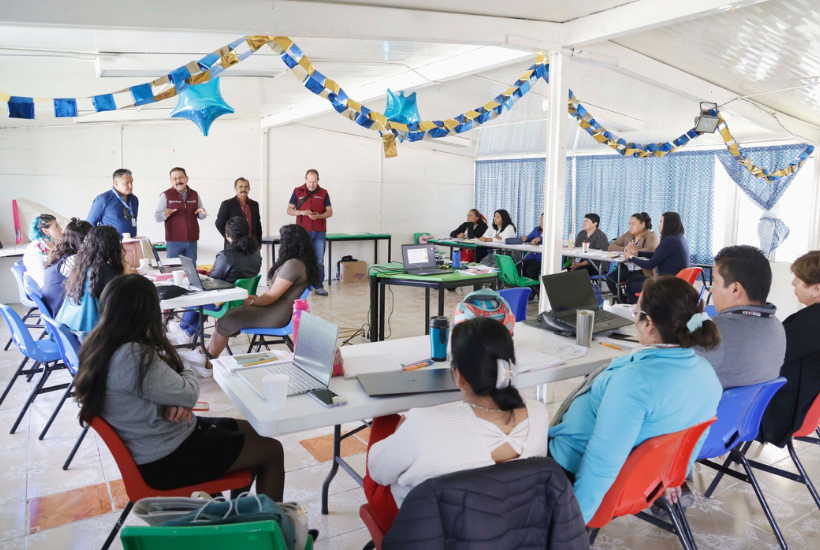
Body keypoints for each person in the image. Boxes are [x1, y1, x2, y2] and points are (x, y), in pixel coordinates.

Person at [72, 274, 284, 501]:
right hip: (167, 459)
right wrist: (184, 368)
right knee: (271, 450)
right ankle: (275, 529)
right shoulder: (133, 356)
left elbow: (159, 391)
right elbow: (189, 392)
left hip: (159, 441)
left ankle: (236, 514)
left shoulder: (98, 344)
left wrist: (172, 398)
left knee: (255, 432)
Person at [549, 276, 722, 523]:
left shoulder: (636, 381)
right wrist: (671, 476)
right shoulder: (705, 373)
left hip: (569, 467)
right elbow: (694, 440)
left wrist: (573, 524)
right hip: (645, 479)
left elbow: (602, 461)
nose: (634, 316)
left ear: (648, 323)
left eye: (636, 311)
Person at [364, 317, 549, 532]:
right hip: (505, 527)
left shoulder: (425, 424)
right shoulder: (538, 414)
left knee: (385, 425)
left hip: (428, 533)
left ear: (458, 376)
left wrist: (399, 433)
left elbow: (378, 473)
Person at [206, 224, 319, 360]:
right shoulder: (301, 262)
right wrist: (255, 299)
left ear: (289, 243)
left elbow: (271, 297)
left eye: (281, 240)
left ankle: (207, 363)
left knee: (226, 320)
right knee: (228, 317)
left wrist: (252, 301)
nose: (280, 245)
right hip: (278, 309)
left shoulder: (293, 264)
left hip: (275, 314)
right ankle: (204, 354)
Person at [695, 245, 785, 389]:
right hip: (745, 410)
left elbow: (674, 375)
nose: (712, 289)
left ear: (735, 289)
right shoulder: (777, 326)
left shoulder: (717, 331)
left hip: (713, 410)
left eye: (715, 281)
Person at [758, 251, 820, 447]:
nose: (793, 283)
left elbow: (770, 355)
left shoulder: (812, 321)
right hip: (804, 402)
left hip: (783, 411)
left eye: (799, 279)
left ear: (816, 288)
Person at [168, 217, 263, 346]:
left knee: (196, 295)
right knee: (206, 298)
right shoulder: (256, 254)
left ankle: (183, 330)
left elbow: (213, 280)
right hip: (241, 301)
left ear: (228, 235)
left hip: (224, 303)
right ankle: (185, 333)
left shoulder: (226, 255)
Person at [56, 226, 130, 335]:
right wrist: (126, 270)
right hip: (92, 339)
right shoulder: (105, 272)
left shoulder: (82, 267)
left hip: (70, 334)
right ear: (112, 247)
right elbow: (127, 300)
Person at [623, 212, 689, 303]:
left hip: (667, 284)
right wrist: (637, 253)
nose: (659, 225)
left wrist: (630, 257)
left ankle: (640, 311)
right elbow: (657, 254)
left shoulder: (669, 241)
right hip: (673, 281)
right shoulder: (678, 238)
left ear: (668, 224)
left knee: (631, 286)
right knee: (632, 279)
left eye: (661, 222)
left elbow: (650, 265)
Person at [287, 169, 332, 296]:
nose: (312, 184)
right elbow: (289, 210)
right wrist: (301, 212)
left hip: (319, 232)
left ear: (318, 180)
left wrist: (319, 216)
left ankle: (318, 285)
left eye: (314, 181)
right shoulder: (297, 191)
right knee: (301, 259)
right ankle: (302, 286)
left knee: (318, 260)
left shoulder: (324, 193)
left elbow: (330, 212)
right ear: (305, 179)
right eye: (309, 181)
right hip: (302, 233)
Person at [154, 167, 208, 264]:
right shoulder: (166, 195)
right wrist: (165, 215)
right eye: (175, 179)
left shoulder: (194, 194)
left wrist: (202, 213)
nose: (178, 181)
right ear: (171, 181)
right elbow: (157, 217)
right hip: (173, 241)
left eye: (181, 178)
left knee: (191, 271)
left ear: (187, 178)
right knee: (173, 271)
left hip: (192, 241)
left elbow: (200, 215)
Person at [42, 218, 92, 317]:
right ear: (85, 241)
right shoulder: (72, 260)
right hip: (64, 316)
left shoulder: (60, 255)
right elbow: (92, 284)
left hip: (56, 311)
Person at [606, 212, 659, 301]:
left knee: (631, 282)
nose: (631, 226)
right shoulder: (628, 234)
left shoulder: (651, 235)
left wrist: (635, 252)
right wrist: (624, 249)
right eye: (630, 224)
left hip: (641, 269)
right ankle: (621, 301)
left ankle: (630, 303)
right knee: (610, 279)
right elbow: (611, 246)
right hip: (626, 267)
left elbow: (651, 249)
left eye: (633, 224)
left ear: (642, 224)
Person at [87, 169, 139, 237]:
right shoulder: (103, 199)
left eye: (131, 183)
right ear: (116, 183)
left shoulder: (134, 199)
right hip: (109, 244)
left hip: (130, 242)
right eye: (127, 183)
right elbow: (90, 223)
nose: (130, 186)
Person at [215, 177, 263, 250]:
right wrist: (229, 237)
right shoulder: (227, 204)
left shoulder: (254, 204)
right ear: (235, 189)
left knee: (253, 262)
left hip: (252, 245)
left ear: (249, 189)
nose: (243, 189)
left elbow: (258, 226)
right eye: (240, 187)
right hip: (234, 246)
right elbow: (219, 224)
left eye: (246, 187)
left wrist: (259, 243)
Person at [23, 214, 63, 288]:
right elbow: (40, 280)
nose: (61, 228)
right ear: (45, 231)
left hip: (57, 283)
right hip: (44, 288)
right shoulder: (34, 249)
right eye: (56, 226)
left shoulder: (57, 244)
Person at [568, 213, 609, 278]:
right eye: (584, 221)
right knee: (565, 270)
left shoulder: (600, 236)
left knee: (577, 273)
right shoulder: (581, 234)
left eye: (586, 221)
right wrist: (574, 262)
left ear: (595, 224)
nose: (584, 224)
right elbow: (576, 250)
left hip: (597, 265)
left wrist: (580, 264)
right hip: (580, 262)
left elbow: (598, 256)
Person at [521, 213, 545, 280]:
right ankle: (526, 286)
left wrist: (540, 239)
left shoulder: (553, 232)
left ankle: (536, 288)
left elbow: (550, 239)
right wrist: (525, 238)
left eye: (544, 220)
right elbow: (529, 238)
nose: (542, 222)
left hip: (542, 259)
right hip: (532, 257)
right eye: (541, 220)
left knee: (530, 269)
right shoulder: (537, 229)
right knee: (521, 266)